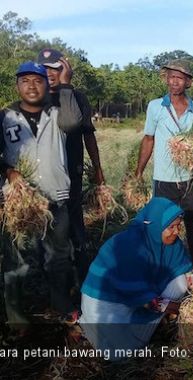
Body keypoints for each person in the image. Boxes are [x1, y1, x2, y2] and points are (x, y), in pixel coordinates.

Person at [0, 61, 82, 329]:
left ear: (47, 84)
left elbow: (74, 124)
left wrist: (66, 85)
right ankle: (16, 314)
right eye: (25, 81)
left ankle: (59, 301)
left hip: (55, 197)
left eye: (37, 80)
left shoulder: (57, 112)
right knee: (17, 258)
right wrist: (9, 171)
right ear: (17, 86)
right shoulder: (6, 117)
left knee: (58, 256)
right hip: (20, 202)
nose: (31, 86)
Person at [79, 197, 192, 360]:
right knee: (121, 355)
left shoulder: (170, 243)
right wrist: (184, 310)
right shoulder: (130, 247)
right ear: (154, 225)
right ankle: (91, 326)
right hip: (106, 303)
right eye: (171, 227)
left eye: (178, 226)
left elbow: (188, 272)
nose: (176, 232)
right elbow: (150, 303)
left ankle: (143, 327)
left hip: (138, 298)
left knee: (182, 281)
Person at [37, 48, 105, 287]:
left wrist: (97, 168)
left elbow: (88, 135)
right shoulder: (36, 99)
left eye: (55, 68)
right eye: (44, 69)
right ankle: (52, 283)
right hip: (45, 177)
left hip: (72, 172)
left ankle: (82, 283)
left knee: (76, 227)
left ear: (64, 70)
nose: (50, 74)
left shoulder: (78, 98)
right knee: (47, 228)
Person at [135, 59, 193, 269]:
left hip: (189, 180)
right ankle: (162, 267)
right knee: (162, 225)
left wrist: (192, 156)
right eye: (171, 77)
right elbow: (149, 139)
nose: (174, 82)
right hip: (164, 179)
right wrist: (138, 171)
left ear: (188, 83)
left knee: (192, 225)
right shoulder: (155, 107)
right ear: (166, 79)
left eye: (180, 78)